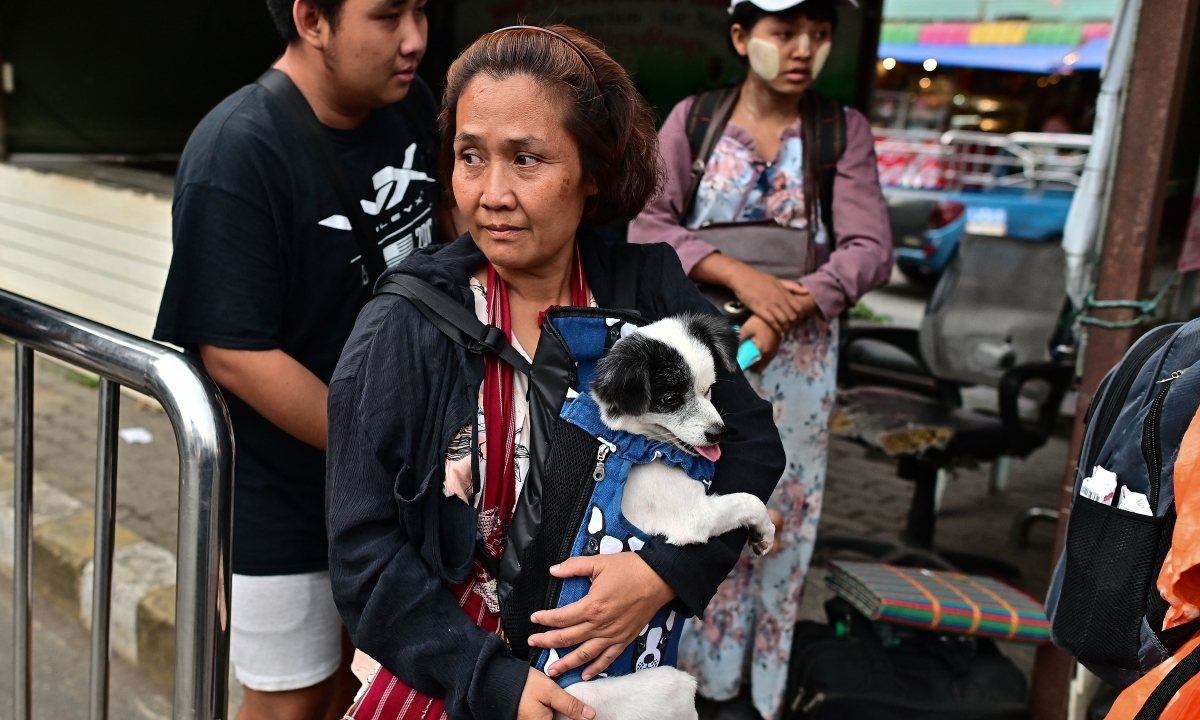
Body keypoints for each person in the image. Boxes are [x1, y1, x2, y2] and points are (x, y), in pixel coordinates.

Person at [325, 24, 786, 720]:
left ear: (593, 171)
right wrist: (492, 681)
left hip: (618, 683)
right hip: (454, 687)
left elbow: (751, 444)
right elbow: (364, 555)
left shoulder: (650, 293)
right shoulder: (408, 326)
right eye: (470, 157)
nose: (492, 193)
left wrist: (663, 575)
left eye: (527, 159)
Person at [153, 0, 446, 717]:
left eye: (421, 10)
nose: (414, 40)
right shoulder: (237, 149)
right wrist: (384, 447)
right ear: (311, 19)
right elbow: (237, 354)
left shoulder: (414, 105)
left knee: (375, 686)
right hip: (286, 495)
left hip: (406, 480)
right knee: (295, 701)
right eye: (385, 17)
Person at [628, 0, 892, 717]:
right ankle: (682, 679)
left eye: (819, 32)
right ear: (743, 37)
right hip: (700, 341)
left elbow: (869, 248)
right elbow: (649, 220)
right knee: (692, 495)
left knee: (784, 507)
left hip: (800, 356)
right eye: (784, 32)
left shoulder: (842, 132)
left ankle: (757, 692)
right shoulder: (694, 120)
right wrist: (742, 281)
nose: (804, 47)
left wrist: (790, 307)